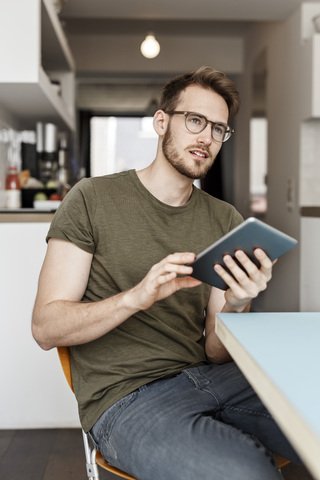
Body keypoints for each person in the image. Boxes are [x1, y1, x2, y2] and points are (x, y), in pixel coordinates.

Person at [32, 66, 300, 480]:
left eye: (219, 129)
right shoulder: (91, 198)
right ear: (161, 123)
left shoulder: (225, 218)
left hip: (215, 377)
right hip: (128, 398)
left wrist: (238, 301)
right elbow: (45, 328)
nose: (206, 138)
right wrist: (135, 297)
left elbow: (215, 350)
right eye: (195, 121)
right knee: (244, 473)